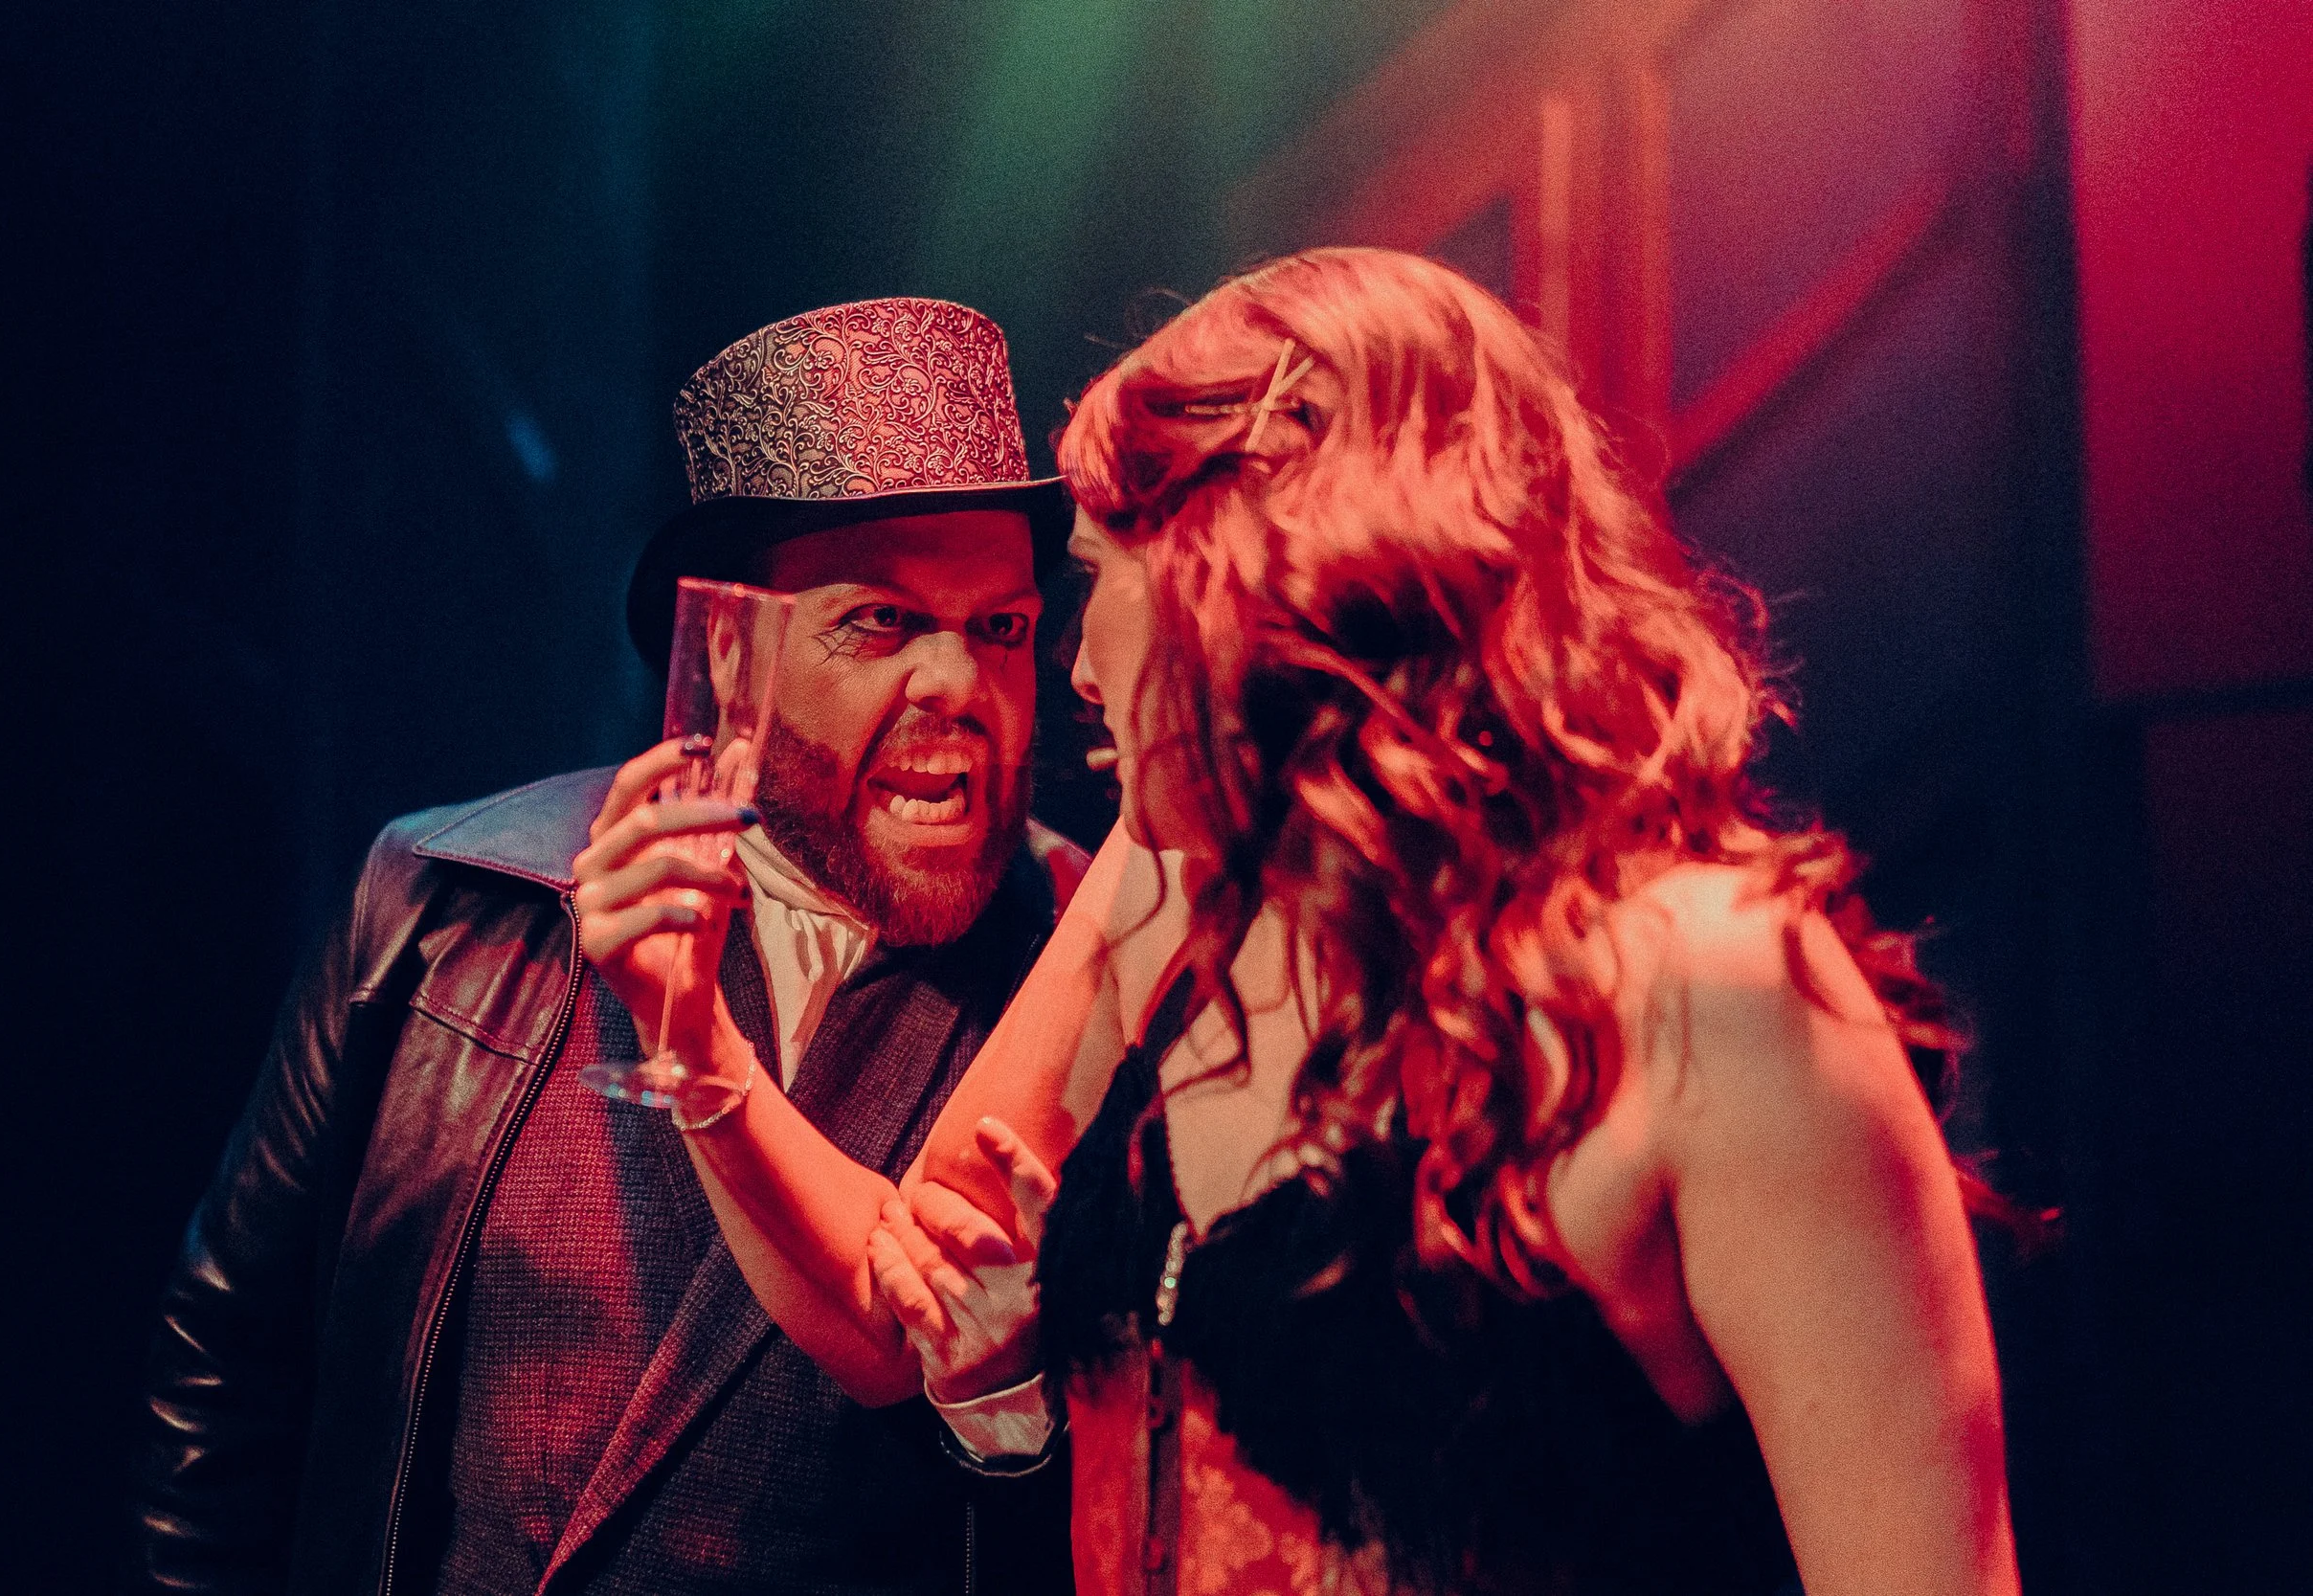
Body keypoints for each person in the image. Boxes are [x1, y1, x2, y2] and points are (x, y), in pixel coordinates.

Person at [636, 250, 2021, 1596]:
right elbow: (905, 1295)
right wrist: (693, 1043)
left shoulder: (1721, 986)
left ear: (1251, 576)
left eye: (1099, 578)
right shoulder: (1165, 892)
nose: (1076, 662)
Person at [132, 297, 1088, 1596]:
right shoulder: (443, 902)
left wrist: (1014, 1425)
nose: (958, 688)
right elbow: (229, 1365)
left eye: (1001, 628)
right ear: (735, 655)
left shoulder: (1087, 983)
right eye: (880, 623)